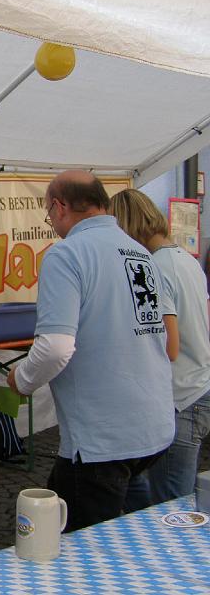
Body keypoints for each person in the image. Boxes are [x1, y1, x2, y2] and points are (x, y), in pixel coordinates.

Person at [7, 170, 174, 532]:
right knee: (132, 536)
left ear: (59, 206)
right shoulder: (141, 253)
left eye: (49, 214)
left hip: (103, 440)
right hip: (154, 427)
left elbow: (55, 347)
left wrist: (21, 379)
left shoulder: (66, 255)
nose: (51, 222)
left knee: (70, 546)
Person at [110, 188, 210, 503]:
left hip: (180, 397)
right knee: (160, 489)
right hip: (200, 385)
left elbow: (169, 346)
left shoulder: (154, 267)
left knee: (172, 504)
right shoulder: (185, 258)